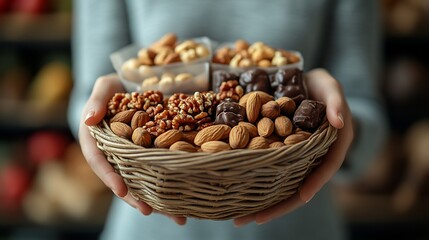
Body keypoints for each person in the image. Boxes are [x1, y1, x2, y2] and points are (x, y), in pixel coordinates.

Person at [68, 1, 388, 239]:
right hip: (150, 222)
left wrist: (338, 123)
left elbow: (365, 109)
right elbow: (87, 96)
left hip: (298, 224)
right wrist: (92, 118)